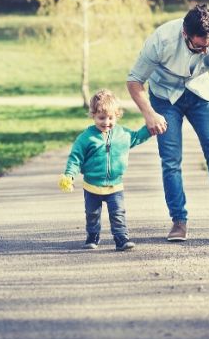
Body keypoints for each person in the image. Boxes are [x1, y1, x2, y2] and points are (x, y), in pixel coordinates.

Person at [127, 3, 209, 241]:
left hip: (200, 94)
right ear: (186, 35)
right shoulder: (161, 40)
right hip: (165, 98)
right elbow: (135, 81)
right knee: (171, 159)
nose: (206, 51)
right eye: (199, 46)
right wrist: (150, 114)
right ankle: (178, 221)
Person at [59, 89, 153, 251]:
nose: (106, 122)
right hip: (92, 186)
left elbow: (138, 136)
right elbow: (75, 157)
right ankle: (92, 236)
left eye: (111, 118)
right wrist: (70, 175)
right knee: (92, 215)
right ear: (93, 115)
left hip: (115, 185)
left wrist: (151, 127)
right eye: (101, 118)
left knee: (118, 214)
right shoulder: (86, 137)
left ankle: (121, 238)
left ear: (117, 116)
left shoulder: (122, 134)